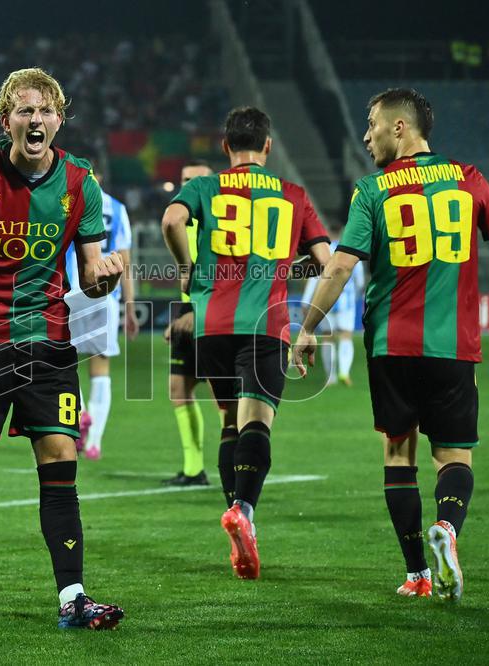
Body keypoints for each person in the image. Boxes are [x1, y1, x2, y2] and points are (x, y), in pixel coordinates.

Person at [293, 88, 489, 603]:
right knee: (454, 456)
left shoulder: (372, 191)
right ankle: (448, 528)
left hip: (391, 345)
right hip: (454, 346)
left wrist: (307, 327)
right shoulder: (468, 180)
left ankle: (417, 574)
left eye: (372, 125)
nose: (366, 136)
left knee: (397, 453)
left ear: (400, 128)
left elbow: (341, 265)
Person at [0, 67, 124, 629]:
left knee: (61, 462)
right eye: (24, 110)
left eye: (46, 111)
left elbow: (88, 274)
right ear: (5, 118)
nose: (36, 120)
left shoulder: (82, 182)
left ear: (60, 119)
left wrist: (104, 279)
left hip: (47, 338)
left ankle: (73, 598)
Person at [162, 107, 332, 579]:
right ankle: (244, 511)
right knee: (257, 421)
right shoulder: (292, 195)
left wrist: (187, 270)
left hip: (211, 326)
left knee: (227, 422)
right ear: (269, 146)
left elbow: (172, 221)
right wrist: (283, 270)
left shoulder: (203, 188)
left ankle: (239, 527)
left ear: (225, 148)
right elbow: (325, 259)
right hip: (263, 325)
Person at [63, 169, 139, 461]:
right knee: (101, 368)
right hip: (107, 293)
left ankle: (80, 412)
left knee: (66, 360)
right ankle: (94, 443)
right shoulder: (118, 209)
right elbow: (126, 261)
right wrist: (130, 306)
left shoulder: (71, 204)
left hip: (74, 290)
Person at [162, 160, 217, 487]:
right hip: (188, 314)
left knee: (222, 396)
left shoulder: (215, 225)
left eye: (194, 180)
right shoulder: (184, 223)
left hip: (211, 317)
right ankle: (194, 468)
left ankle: (240, 468)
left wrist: (198, 313)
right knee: (179, 390)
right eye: (183, 179)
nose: (187, 185)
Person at [300, 222, 365, 387]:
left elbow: (315, 279)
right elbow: (360, 281)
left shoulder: (325, 253)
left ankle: (331, 377)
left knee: (328, 338)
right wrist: (356, 296)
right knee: (345, 336)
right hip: (347, 303)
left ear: (327, 232)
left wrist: (306, 301)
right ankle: (345, 371)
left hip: (325, 302)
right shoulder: (351, 253)